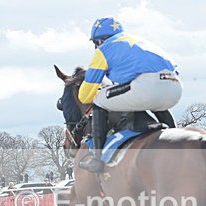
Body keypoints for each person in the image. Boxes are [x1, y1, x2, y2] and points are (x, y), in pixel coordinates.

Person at [77, 16, 183, 173]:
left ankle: (97, 159)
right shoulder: (141, 41)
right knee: (154, 101)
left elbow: (85, 96)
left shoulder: (104, 50)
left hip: (148, 88)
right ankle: (175, 138)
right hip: (175, 88)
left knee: (99, 99)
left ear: (99, 41)